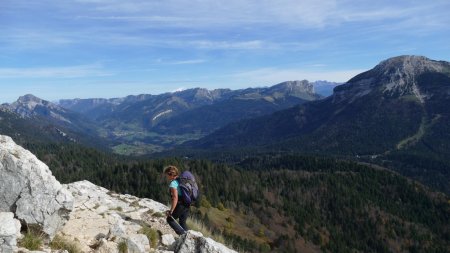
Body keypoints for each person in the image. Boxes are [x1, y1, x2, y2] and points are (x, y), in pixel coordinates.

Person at [164, 165, 189, 235]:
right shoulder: (182, 180)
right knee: (182, 222)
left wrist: (171, 211)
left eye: (167, 175)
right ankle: (188, 236)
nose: (166, 177)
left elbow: (175, 198)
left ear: (170, 175)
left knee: (170, 219)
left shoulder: (173, 183)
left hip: (180, 204)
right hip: (187, 204)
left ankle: (183, 236)